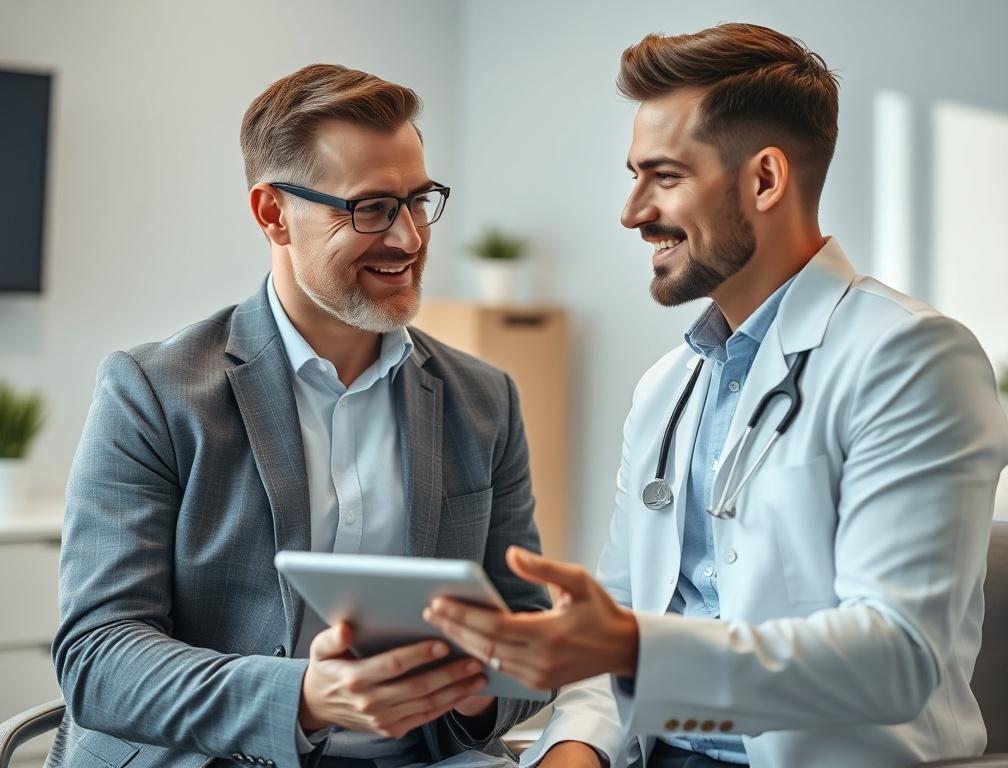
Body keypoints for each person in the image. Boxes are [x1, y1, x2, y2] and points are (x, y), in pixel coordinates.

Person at [424, 23, 1008, 768]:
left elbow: (894, 658)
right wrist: (572, 751)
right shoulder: (668, 388)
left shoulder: (912, 359)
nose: (632, 212)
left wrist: (632, 645)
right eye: (634, 176)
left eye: (664, 177)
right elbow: (619, 628)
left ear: (764, 180)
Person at [48, 64, 550, 768]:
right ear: (272, 213)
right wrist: (306, 697)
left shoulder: (482, 398)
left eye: (418, 200)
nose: (408, 238)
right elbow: (98, 656)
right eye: (371, 207)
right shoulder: (152, 391)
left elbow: (528, 623)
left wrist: (478, 689)